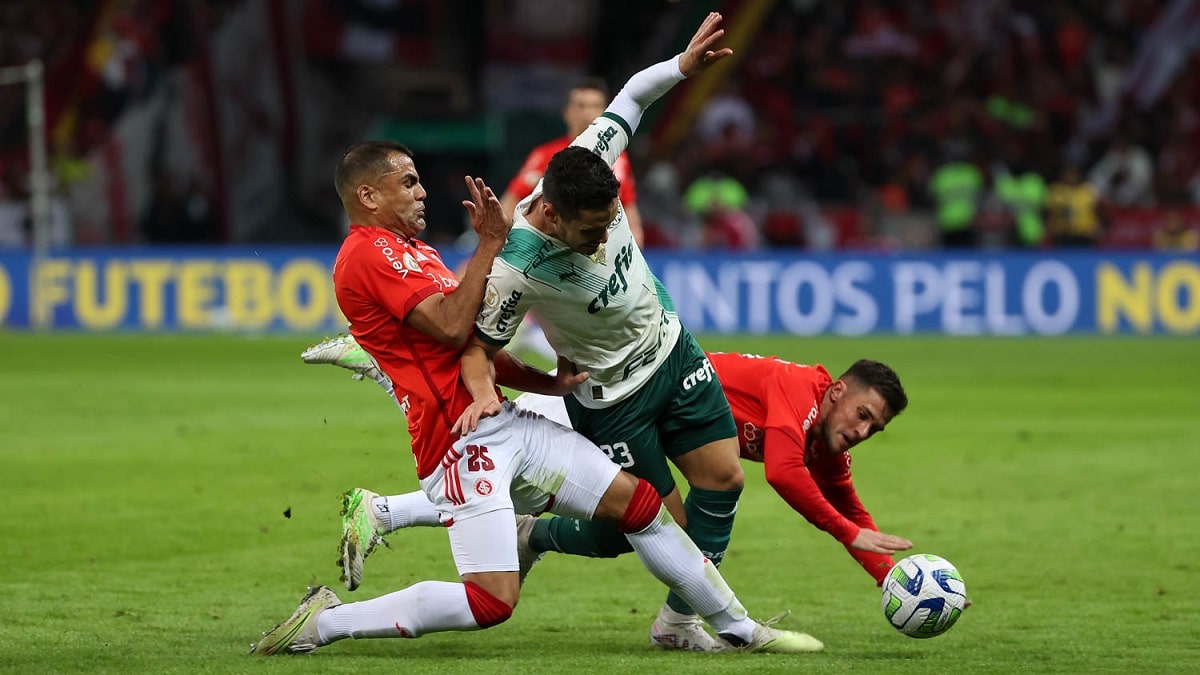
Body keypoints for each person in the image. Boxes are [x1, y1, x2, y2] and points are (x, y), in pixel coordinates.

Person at [252, 14, 823, 656]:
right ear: (367, 194)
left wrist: (542, 379)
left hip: (506, 416)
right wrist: (490, 252)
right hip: (459, 436)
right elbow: (455, 332)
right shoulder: (374, 256)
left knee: (640, 508)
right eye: (407, 181)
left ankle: (742, 632)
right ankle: (325, 623)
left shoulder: (417, 251)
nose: (421, 190)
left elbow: (468, 339)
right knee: (492, 601)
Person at [305, 342, 914, 592]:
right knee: (655, 527)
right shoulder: (797, 391)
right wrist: (846, 531)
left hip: (638, 430)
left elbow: (852, 513)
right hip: (608, 408)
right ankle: (386, 364)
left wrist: (896, 580)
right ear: (836, 390)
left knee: (635, 527)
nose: (861, 432)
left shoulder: (831, 441)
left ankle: (397, 512)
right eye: (862, 414)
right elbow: (781, 472)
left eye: (874, 429)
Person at [500, 78, 643, 245]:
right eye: (581, 106)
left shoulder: (618, 157)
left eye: (595, 106)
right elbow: (510, 201)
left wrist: (636, 242)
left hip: (600, 253)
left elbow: (629, 208)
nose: (587, 113)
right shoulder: (544, 155)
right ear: (566, 112)